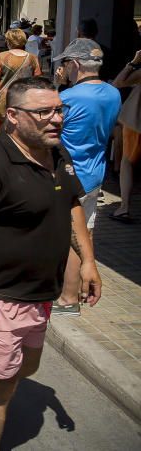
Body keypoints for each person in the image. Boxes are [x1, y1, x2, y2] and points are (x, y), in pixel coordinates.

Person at [0, 77, 102, 450]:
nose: (55, 119)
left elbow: (72, 204)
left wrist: (88, 260)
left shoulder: (55, 152)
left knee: (25, 368)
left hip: (39, 294)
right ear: (12, 115)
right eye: (43, 111)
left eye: (59, 110)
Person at [51, 39, 120, 316]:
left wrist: (59, 91)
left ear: (76, 64)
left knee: (70, 236)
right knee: (85, 232)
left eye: (66, 63)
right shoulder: (113, 93)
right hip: (95, 172)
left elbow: (50, 129)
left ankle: (68, 298)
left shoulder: (68, 98)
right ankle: (79, 286)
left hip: (70, 174)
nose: (64, 68)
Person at [0, 28, 41, 125]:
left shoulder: (1, 56)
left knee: (1, 129)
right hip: (25, 99)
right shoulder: (32, 58)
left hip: (5, 99)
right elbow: (37, 81)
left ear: (8, 41)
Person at [112, 50, 141, 221]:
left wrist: (133, 62)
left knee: (127, 162)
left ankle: (124, 207)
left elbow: (118, 82)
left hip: (136, 123)